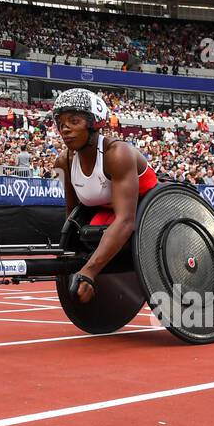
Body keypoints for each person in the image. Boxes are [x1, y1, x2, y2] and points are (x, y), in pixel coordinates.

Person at [50, 88, 158, 303]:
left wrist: (89, 271)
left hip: (148, 212)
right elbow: (73, 215)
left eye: (73, 121)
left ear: (94, 123)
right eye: (61, 123)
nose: (65, 129)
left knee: (107, 234)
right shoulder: (63, 162)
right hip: (107, 211)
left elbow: (126, 220)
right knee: (87, 235)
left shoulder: (117, 153)